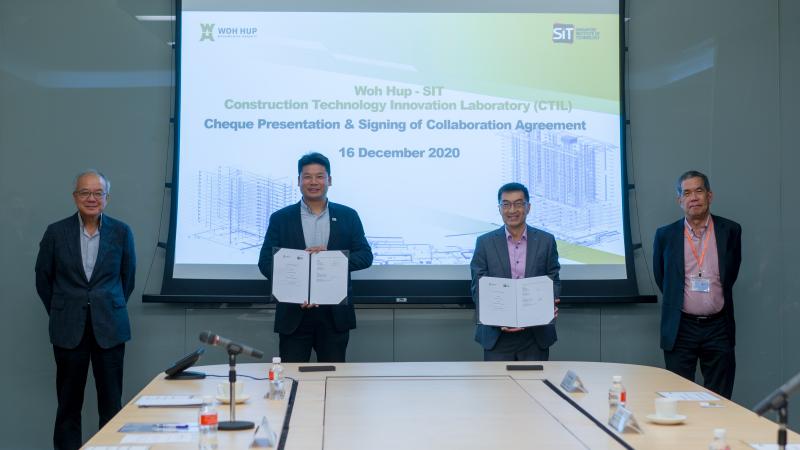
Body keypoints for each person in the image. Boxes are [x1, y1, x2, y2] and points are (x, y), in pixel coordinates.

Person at [35, 170, 136, 450]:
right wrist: (64, 310)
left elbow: (127, 279)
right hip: (68, 329)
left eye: (98, 193)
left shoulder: (121, 232)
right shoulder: (56, 232)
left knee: (112, 406)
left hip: (110, 328)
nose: (91, 198)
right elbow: (43, 278)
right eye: (85, 192)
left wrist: (106, 306)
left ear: (107, 198)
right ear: (75, 196)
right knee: (68, 407)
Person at [258, 152, 373, 362]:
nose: (313, 182)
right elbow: (265, 262)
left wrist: (332, 260)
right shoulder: (281, 218)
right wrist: (292, 289)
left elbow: (365, 256)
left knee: (334, 378)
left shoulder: (348, 215)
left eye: (320, 176)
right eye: (307, 177)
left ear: (329, 180)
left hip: (334, 316)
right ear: (299, 181)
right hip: (294, 313)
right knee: (291, 376)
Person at [653, 170, 741, 399]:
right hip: (681, 327)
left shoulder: (731, 231)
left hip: (719, 327)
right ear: (679, 200)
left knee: (720, 398)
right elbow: (662, 278)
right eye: (687, 193)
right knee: (678, 397)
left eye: (699, 191)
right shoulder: (665, 235)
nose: (693, 198)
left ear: (709, 196)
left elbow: (730, 274)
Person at [470, 182, 561, 361]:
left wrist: (550, 302)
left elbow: (554, 279)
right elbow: (478, 287)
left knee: (535, 380)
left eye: (518, 204)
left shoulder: (546, 241)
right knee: (496, 381)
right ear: (499, 208)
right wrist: (497, 318)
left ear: (528, 207)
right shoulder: (484, 243)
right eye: (506, 204)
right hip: (497, 335)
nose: (512, 210)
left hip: (535, 335)